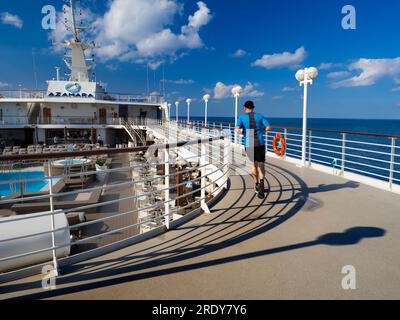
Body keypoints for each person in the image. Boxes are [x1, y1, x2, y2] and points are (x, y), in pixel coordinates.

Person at [235, 100, 271, 199]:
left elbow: (237, 129)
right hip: (260, 143)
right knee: (261, 164)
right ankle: (262, 183)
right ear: (253, 107)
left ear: (245, 108)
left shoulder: (241, 117)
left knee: (254, 165)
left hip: (249, 143)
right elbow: (268, 127)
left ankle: (256, 185)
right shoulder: (260, 116)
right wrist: (261, 130)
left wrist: (243, 133)